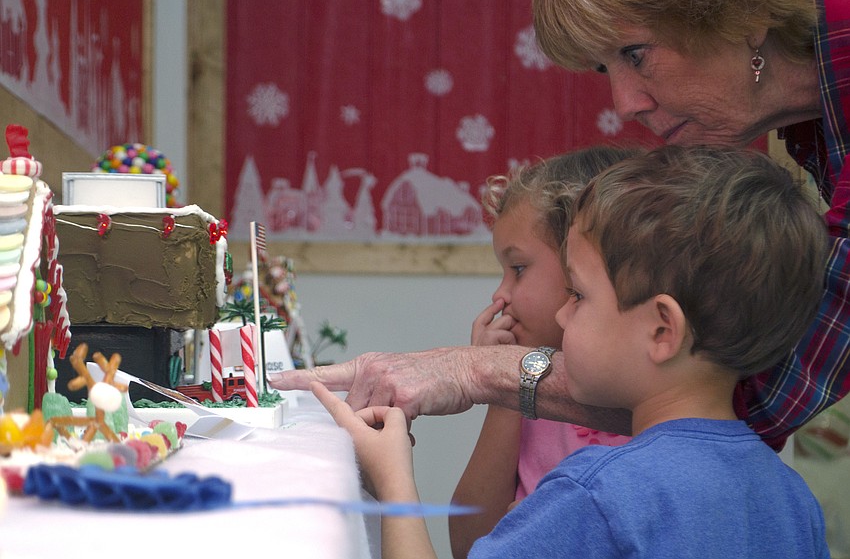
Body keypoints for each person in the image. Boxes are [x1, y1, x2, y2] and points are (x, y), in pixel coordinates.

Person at [269, 0, 850, 454]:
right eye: (606, 70)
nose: (626, 103)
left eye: (636, 54)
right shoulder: (811, 128)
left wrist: (479, 373)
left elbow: (752, 395)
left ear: (741, 9)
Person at [313, 145, 830, 558]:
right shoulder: (791, 498)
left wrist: (391, 477)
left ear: (661, 330)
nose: (563, 315)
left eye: (578, 296)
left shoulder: (596, 497)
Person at [450, 148, 636, 559]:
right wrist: (505, 391)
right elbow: (468, 542)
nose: (499, 295)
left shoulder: (647, 398)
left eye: (518, 269)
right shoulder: (535, 391)